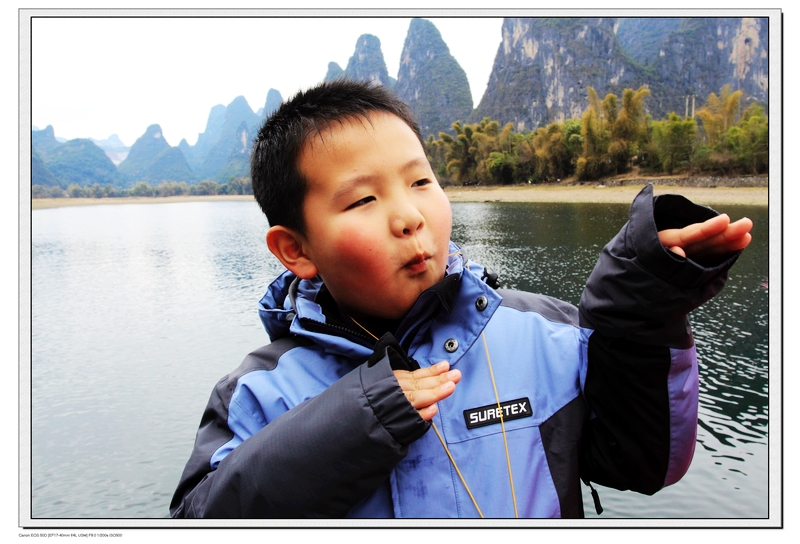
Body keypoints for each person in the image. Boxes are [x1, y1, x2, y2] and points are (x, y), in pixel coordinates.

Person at [169, 80, 752, 519]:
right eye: (363, 200)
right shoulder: (260, 394)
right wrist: (356, 419)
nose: (409, 216)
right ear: (296, 249)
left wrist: (638, 303)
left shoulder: (542, 333)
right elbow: (202, 517)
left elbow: (644, 462)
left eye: (421, 182)